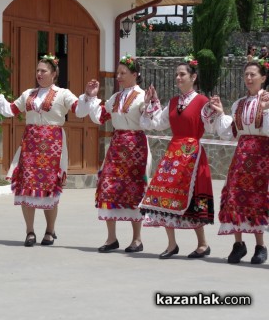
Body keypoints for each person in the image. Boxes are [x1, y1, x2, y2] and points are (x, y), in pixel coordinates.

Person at [0, 54, 87, 247]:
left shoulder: (63, 94)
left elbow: (79, 110)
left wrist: (88, 96)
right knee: (26, 188)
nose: (39, 74)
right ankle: (29, 231)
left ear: (54, 73)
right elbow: (10, 110)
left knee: (49, 190)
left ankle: (49, 230)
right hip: (31, 145)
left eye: (43, 71)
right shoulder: (28, 94)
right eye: (37, 70)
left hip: (52, 146)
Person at [139, 56, 216, 259]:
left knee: (192, 197)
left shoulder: (202, 101)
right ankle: (171, 244)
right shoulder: (173, 102)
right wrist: (151, 103)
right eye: (176, 75)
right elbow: (157, 123)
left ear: (193, 77)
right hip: (173, 153)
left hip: (192, 154)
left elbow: (210, 126)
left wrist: (215, 113)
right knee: (165, 195)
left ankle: (202, 244)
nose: (178, 78)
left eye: (182, 74)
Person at [79, 55, 150, 253]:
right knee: (108, 187)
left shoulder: (142, 96)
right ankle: (111, 238)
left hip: (136, 146)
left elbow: (148, 119)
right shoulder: (116, 97)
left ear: (135, 74)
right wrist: (92, 97)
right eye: (117, 73)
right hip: (117, 145)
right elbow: (100, 117)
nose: (118, 76)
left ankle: (137, 239)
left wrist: (150, 105)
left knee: (134, 189)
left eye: (123, 73)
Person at [209, 59, 269, 264]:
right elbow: (232, 133)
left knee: (257, 199)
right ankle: (238, 244)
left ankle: (260, 246)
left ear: (263, 77)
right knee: (235, 196)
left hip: (262, 156)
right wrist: (221, 113)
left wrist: (266, 108)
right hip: (242, 156)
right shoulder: (239, 104)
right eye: (246, 75)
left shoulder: (268, 99)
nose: (249, 78)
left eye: (253, 74)